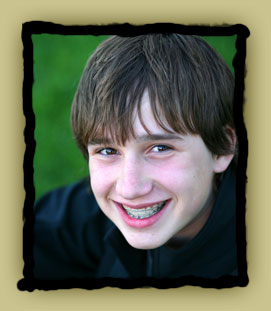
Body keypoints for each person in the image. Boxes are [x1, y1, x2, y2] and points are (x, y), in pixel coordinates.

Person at [33, 34, 237, 280]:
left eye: (160, 148)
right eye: (108, 151)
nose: (130, 189)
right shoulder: (88, 220)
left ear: (223, 147)